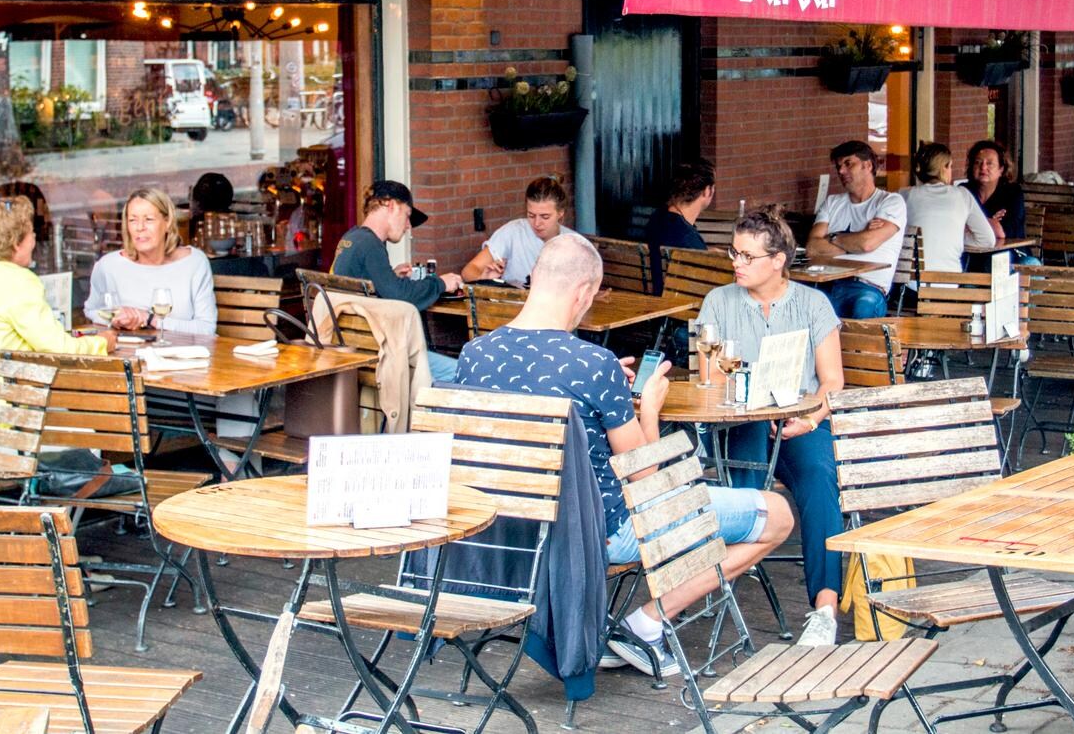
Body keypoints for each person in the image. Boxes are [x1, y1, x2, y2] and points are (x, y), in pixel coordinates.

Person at [455, 233, 792, 675]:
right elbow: (646, 476)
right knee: (778, 515)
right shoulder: (591, 364)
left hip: (508, 533)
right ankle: (646, 623)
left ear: (536, 278)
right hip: (596, 532)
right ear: (583, 292)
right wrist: (648, 409)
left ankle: (641, 626)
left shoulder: (474, 354)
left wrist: (606, 387)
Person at [700, 208, 846, 645]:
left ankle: (824, 607)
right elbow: (709, 379)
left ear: (778, 259)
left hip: (798, 421)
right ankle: (724, 577)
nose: (736, 263)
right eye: (734, 253)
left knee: (822, 479)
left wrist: (813, 417)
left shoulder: (812, 304)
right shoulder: (719, 302)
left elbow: (832, 381)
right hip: (740, 421)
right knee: (745, 479)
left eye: (747, 256)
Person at [0, 195, 116, 358]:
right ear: (15, 244)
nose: (34, 239)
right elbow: (58, 349)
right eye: (31, 234)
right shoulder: (18, 280)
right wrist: (101, 343)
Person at [333, 180, 464, 383]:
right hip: (379, 356)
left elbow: (368, 287)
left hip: (356, 348)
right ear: (391, 205)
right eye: (408, 216)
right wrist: (441, 283)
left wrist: (388, 276)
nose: (408, 226)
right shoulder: (370, 245)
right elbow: (402, 296)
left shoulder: (351, 238)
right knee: (461, 372)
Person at [85, 188, 217, 335]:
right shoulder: (108, 266)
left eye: (148, 219)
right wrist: (117, 319)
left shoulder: (194, 263)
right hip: (128, 353)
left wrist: (150, 319)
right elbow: (92, 311)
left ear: (167, 223)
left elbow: (206, 328)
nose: (140, 228)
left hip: (181, 353)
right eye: (133, 220)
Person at [806, 141, 905, 319]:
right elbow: (812, 248)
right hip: (828, 282)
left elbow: (867, 244)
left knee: (863, 306)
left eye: (848, 164)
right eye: (839, 167)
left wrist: (831, 237)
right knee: (797, 304)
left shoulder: (890, 202)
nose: (841, 171)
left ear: (868, 165)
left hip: (868, 287)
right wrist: (855, 238)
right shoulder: (832, 202)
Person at [461, 176, 574, 288]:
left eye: (545, 217)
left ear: (560, 213)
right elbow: (469, 271)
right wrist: (484, 281)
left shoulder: (574, 244)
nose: (537, 223)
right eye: (531, 215)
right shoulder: (513, 232)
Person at [900, 143, 995, 274]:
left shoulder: (904, 195)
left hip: (912, 284)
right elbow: (987, 240)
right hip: (950, 283)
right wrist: (956, 235)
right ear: (944, 168)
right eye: (950, 166)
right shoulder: (962, 195)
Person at [645, 159, 715, 295]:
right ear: (707, 191)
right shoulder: (688, 238)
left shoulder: (657, 218)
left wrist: (707, 252)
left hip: (651, 305)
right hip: (679, 310)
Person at [963, 140, 1027, 241]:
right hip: (971, 252)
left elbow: (1005, 232)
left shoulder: (1013, 193)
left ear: (1001, 169)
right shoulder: (964, 191)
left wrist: (972, 223)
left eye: (989, 164)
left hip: (1009, 251)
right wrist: (991, 222)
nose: (983, 167)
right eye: (978, 162)